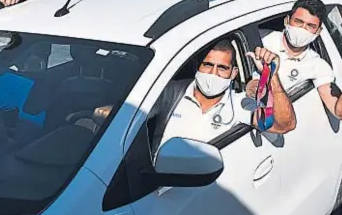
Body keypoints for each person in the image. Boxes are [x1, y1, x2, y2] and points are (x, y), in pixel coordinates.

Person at [94, 40, 297, 152]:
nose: (213, 74)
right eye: (208, 65)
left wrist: (271, 77)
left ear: (233, 73)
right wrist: (107, 113)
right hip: (159, 191)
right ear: (198, 67)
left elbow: (284, 125)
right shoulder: (171, 92)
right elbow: (135, 112)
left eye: (222, 68)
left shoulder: (240, 104)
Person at [246, 0, 342, 121]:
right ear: (287, 21)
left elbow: (341, 113)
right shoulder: (261, 39)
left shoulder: (317, 65)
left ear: (318, 31)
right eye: (298, 22)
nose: (302, 29)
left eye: (310, 26)